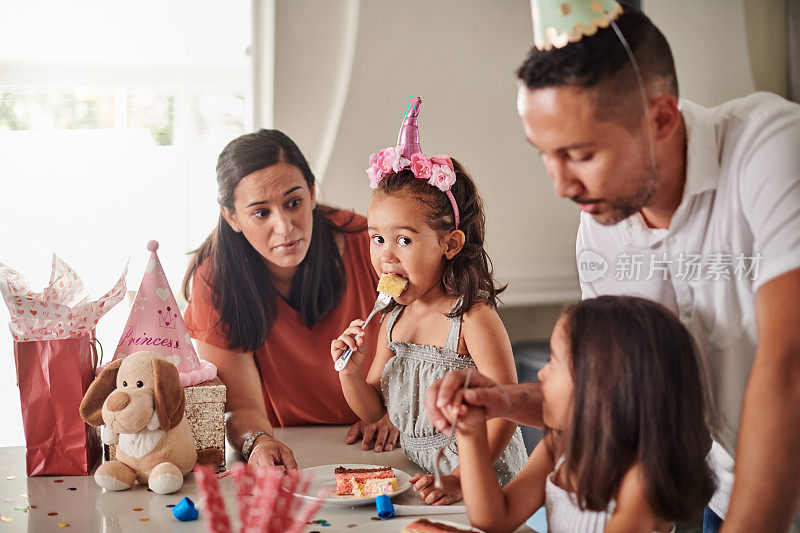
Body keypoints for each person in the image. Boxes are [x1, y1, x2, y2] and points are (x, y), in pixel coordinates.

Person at [430, 3, 800, 531]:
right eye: (545, 154)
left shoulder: (772, 150)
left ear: (661, 119)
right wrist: (499, 399)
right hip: (730, 489)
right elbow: (605, 390)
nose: (561, 186)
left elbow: (787, 369)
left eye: (579, 154)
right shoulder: (602, 227)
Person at [331, 98, 527, 505]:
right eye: (377, 238)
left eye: (404, 240)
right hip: (427, 475)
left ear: (449, 244)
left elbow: (508, 409)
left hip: (485, 479)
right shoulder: (391, 319)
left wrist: (461, 478)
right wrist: (350, 372)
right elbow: (372, 410)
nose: (386, 255)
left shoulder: (472, 319)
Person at [182, 129, 399, 471]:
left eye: (293, 203)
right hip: (292, 447)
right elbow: (241, 407)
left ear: (312, 193)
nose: (284, 227)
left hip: (382, 446)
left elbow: (427, 341)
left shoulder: (369, 242)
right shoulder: (215, 278)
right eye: (260, 213)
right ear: (232, 217)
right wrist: (258, 442)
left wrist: (398, 412)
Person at [449, 296, 714, 533]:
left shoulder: (641, 480)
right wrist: (470, 429)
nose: (541, 374)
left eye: (553, 363)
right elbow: (494, 519)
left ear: (601, 387)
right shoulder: (560, 447)